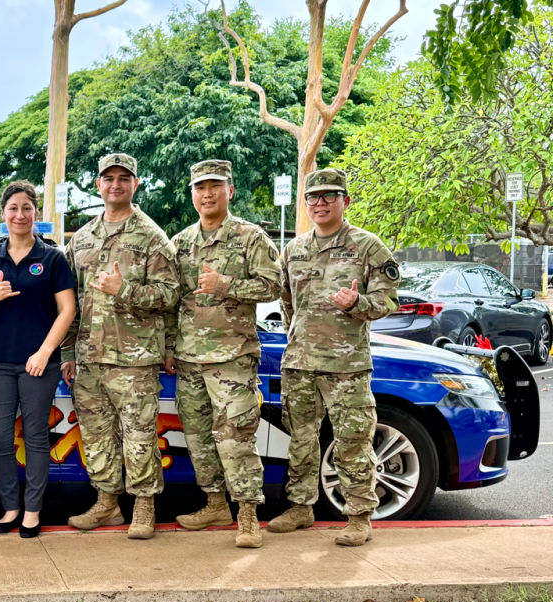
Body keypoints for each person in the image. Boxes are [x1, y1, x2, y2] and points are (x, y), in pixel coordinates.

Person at [268, 168, 400, 546]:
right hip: (300, 363)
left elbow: (389, 299)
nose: (320, 203)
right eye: (313, 197)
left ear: (345, 201)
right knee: (300, 440)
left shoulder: (368, 246)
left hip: (347, 367)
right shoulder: (294, 249)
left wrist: (357, 303)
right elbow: (288, 303)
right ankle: (300, 507)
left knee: (352, 440)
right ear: (306, 203)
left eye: (329, 196)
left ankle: (358, 515)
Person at [61, 153, 180, 540]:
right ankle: (107, 502)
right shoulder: (81, 239)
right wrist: (67, 352)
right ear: (98, 185)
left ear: (135, 183)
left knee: (139, 434)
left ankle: (144, 506)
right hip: (89, 357)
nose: (115, 184)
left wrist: (124, 290)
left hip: (133, 358)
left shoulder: (151, 236)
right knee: (96, 434)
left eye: (123, 178)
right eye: (108, 178)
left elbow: (170, 295)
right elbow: (69, 302)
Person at [163, 160, 281, 548]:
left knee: (236, 436)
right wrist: (168, 348)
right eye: (200, 187)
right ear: (192, 194)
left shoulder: (251, 237)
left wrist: (224, 283)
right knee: (197, 437)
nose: (207, 193)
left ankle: (248, 514)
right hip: (189, 358)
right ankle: (215, 503)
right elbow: (170, 302)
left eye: (215, 186)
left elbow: (272, 286)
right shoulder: (179, 243)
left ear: (230, 190)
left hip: (232, 357)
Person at [0, 181, 76, 538]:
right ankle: (10, 507)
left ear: (36, 214)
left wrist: (45, 352)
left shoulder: (52, 258)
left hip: (38, 364)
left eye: (26, 208)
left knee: (35, 437)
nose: (20, 215)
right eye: (13, 208)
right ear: (3, 215)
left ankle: (32, 511)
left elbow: (68, 309)